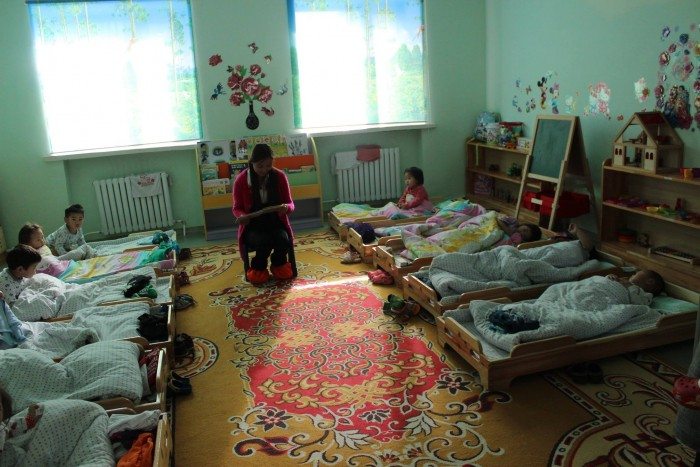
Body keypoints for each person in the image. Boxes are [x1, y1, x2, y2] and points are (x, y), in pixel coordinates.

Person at [232, 143, 295, 284]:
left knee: (283, 240)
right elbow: (237, 207)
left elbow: (290, 203)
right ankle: (258, 268)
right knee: (263, 241)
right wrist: (242, 216)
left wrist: (286, 207)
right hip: (253, 226)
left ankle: (278, 264)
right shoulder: (241, 180)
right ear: (252, 162)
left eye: (268, 166)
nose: (264, 170)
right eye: (260, 166)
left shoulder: (279, 176)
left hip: (275, 222)